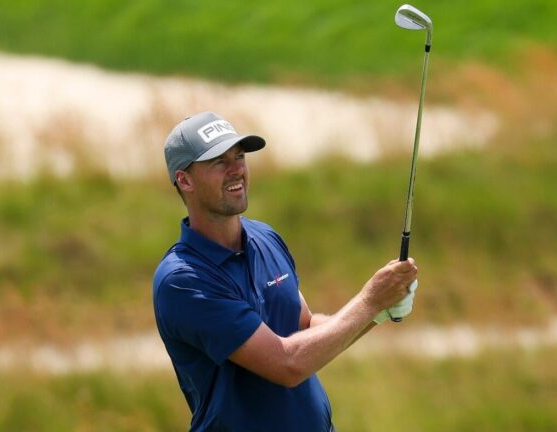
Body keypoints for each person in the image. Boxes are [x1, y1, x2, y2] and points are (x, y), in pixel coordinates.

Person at [153, 112, 419, 431]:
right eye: (218, 162)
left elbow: (307, 327)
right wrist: (370, 302)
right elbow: (287, 364)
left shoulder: (265, 238)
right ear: (185, 180)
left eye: (239, 157)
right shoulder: (184, 280)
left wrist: (380, 312)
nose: (236, 169)